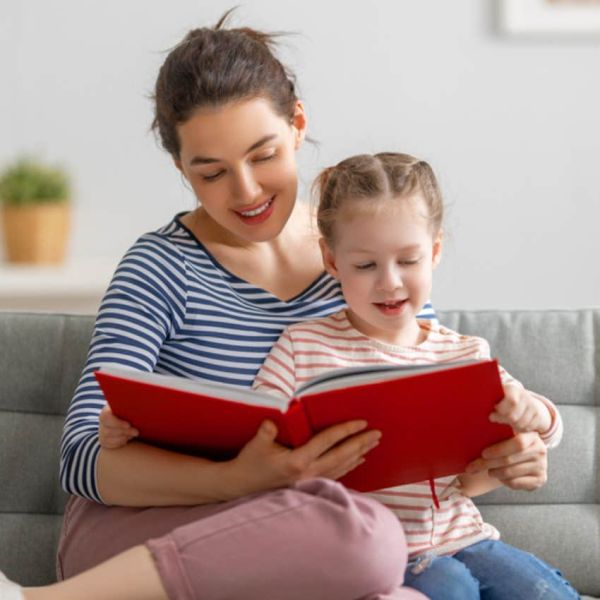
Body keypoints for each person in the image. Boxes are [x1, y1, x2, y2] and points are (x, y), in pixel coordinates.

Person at [0, 14, 548, 600]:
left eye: (262, 156)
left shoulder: (367, 256)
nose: (246, 192)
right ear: (180, 168)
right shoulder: (160, 266)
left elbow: (431, 429)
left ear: (297, 125)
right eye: (210, 172)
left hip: (320, 535)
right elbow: (81, 457)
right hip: (148, 533)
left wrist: (503, 458)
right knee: (367, 541)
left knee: (399, 581)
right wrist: (237, 479)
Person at [250, 152, 580, 600]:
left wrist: (532, 410)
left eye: (408, 260)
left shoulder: (463, 353)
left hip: (468, 537)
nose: (389, 283)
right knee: (450, 587)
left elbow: (552, 431)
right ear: (331, 259)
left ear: (435, 252)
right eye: (365, 266)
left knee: (544, 593)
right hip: (372, 551)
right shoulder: (302, 346)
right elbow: (254, 434)